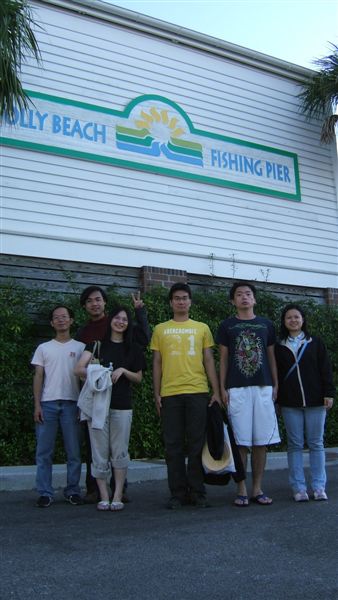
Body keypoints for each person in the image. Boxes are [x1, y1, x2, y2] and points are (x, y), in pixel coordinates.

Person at [75, 286, 150, 503]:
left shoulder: (130, 344)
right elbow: (79, 369)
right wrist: (99, 372)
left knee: (119, 449)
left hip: (121, 402)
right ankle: (98, 492)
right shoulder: (87, 336)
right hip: (97, 402)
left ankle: (119, 491)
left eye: (98, 299)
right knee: (95, 449)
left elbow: (143, 341)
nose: (94, 304)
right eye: (89, 301)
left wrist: (140, 311)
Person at [151, 283, 221, 509]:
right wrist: (156, 393)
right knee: (173, 446)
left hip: (197, 392)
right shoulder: (160, 329)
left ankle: (198, 492)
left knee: (196, 445)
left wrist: (216, 390)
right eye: (177, 298)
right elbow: (157, 363)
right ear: (171, 302)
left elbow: (209, 359)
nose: (181, 301)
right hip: (170, 393)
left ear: (190, 302)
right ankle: (177, 494)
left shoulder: (201, 327)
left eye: (184, 298)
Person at [216, 281, 280, 507]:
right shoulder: (227, 326)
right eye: (239, 294)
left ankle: (257, 488)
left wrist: (275, 383)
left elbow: (271, 356)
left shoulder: (266, 325)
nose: (244, 297)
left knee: (261, 442)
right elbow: (223, 359)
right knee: (241, 442)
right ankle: (241, 488)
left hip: (263, 387)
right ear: (233, 301)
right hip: (237, 388)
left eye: (248, 294)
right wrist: (222, 387)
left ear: (254, 299)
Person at [275, 304, 335, 502]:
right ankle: (298, 488)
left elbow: (325, 369)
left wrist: (328, 393)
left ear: (303, 320)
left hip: (316, 400)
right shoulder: (278, 346)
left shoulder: (315, 342)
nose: (293, 320)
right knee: (295, 445)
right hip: (290, 403)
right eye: (289, 317)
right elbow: (277, 374)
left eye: (297, 317)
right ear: (284, 322)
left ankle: (319, 487)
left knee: (316, 444)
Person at [32, 305, 85, 508]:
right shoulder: (43, 348)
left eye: (65, 317)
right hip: (48, 404)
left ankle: (73, 490)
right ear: (52, 323)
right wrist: (37, 404)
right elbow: (38, 376)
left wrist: (83, 406)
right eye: (57, 317)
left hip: (72, 404)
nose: (61, 320)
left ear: (71, 320)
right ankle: (45, 492)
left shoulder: (80, 347)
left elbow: (85, 380)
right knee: (44, 452)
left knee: (74, 452)